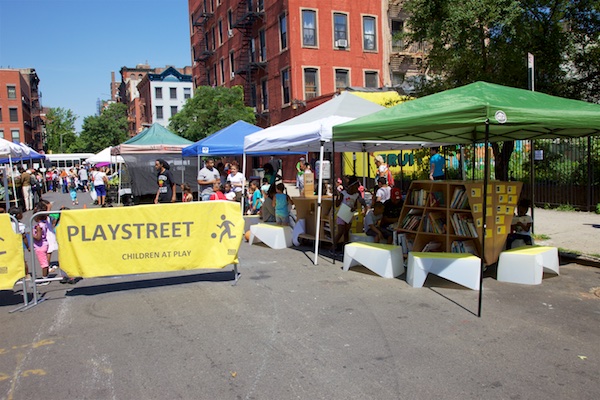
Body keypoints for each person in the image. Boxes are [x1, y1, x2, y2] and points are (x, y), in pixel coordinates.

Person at [330, 176, 366, 255]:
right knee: (340, 231)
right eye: (356, 187)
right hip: (342, 213)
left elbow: (356, 205)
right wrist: (338, 196)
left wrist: (354, 208)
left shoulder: (356, 195)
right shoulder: (344, 193)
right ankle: (333, 247)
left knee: (346, 232)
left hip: (349, 214)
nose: (357, 189)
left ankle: (345, 248)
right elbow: (337, 204)